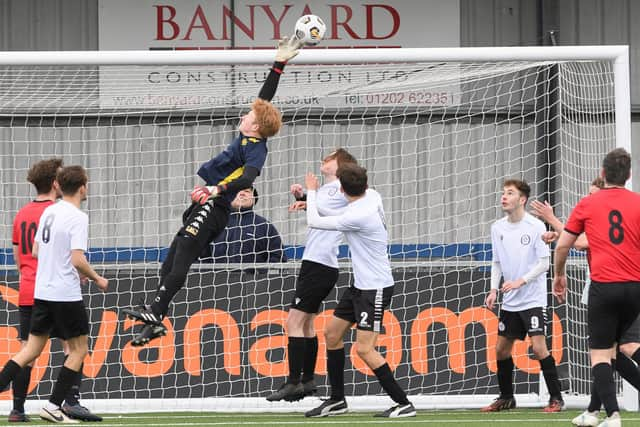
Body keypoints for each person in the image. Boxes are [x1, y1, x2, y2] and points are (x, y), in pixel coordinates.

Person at [123, 37, 304, 346]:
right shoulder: (246, 137)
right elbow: (264, 98)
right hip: (209, 203)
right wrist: (279, 64)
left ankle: (155, 312)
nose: (245, 115)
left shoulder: (257, 148)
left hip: (217, 205)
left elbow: (248, 176)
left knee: (184, 254)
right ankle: (154, 317)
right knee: (172, 257)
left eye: (250, 116)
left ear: (257, 126)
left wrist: (216, 188)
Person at [302, 163, 416, 418]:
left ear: (341, 189)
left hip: (374, 288)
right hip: (360, 285)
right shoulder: (372, 196)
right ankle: (336, 401)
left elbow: (314, 221)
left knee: (365, 349)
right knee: (332, 334)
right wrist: (308, 200)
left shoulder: (356, 216)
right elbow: (334, 210)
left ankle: (403, 403)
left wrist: (311, 192)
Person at [0, 165, 108, 423]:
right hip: (65, 295)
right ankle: (53, 405)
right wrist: (96, 278)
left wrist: (62, 263)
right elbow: (77, 258)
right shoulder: (78, 216)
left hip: (42, 291)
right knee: (79, 350)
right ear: (82, 187)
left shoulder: (50, 211)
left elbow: (36, 250)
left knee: (30, 351)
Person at [532, 177, 640, 427]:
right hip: (610, 286)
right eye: (590, 194)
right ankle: (593, 410)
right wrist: (557, 231)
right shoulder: (604, 216)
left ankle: (607, 414)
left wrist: (553, 220)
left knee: (622, 348)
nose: (591, 198)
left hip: (614, 287)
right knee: (607, 352)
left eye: (594, 193)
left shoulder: (610, 217)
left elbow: (579, 242)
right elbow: (579, 240)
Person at [266, 148, 357, 403]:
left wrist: (311, 192)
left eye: (329, 158)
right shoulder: (328, 190)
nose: (323, 161)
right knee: (306, 324)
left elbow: (323, 213)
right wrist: (305, 197)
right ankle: (307, 380)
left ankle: (293, 381)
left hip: (320, 265)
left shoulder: (338, 187)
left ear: (340, 164)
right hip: (315, 264)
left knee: (292, 322)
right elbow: (322, 210)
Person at [482, 179, 564, 413]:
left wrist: (521, 281)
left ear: (522, 199)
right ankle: (507, 397)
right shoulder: (497, 227)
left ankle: (556, 399)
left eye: (510, 193)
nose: (504, 197)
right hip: (510, 301)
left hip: (533, 299)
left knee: (538, 348)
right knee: (501, 349)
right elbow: (496, 261)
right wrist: (493, 289)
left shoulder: (535, 226)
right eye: (503, 193)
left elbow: (544, 263)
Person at [203, 187, 287, 263]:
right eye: (237, 191)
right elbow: (200, 257)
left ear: (253, 199)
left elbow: (278, 257)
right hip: (218, 279)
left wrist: (261, 275)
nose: (242, 193)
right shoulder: (215, 223)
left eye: (247, 191)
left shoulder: (265, 226)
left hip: (253, 279)